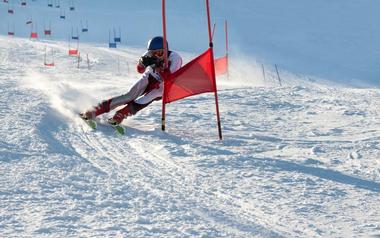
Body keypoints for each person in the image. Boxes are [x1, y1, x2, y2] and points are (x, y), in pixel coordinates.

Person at [80, 36, 182, 125]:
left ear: (165, 50)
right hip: (149, 77)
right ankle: (96, 110)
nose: (156, 55)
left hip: (163, 85)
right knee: (130, 96)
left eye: (159, 53)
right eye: (153, 53)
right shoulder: (148, 55)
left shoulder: (175, 58)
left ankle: (121, 114)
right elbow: (140, 70)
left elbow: (168, 78)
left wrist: (158, 67)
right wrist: (143, 63)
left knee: (146, 98)